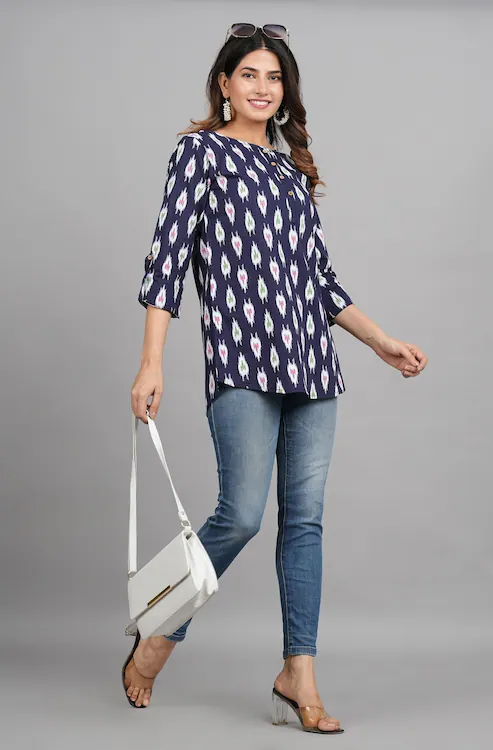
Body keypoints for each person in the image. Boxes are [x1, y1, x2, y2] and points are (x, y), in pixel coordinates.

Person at [124, 23, 428, 733]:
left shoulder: (292, 172)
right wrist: (151, 361)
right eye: (249, 75)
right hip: (242, 362)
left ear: (285, 90)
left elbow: (319, 281)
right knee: (240, 514)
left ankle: (299, 674)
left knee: (305, 522)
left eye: (274, 77)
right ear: (224, 84)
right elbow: (167, 260)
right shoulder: (199, 153)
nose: (262, 88)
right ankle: (160, 630)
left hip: (312, 367)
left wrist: (381, 342)